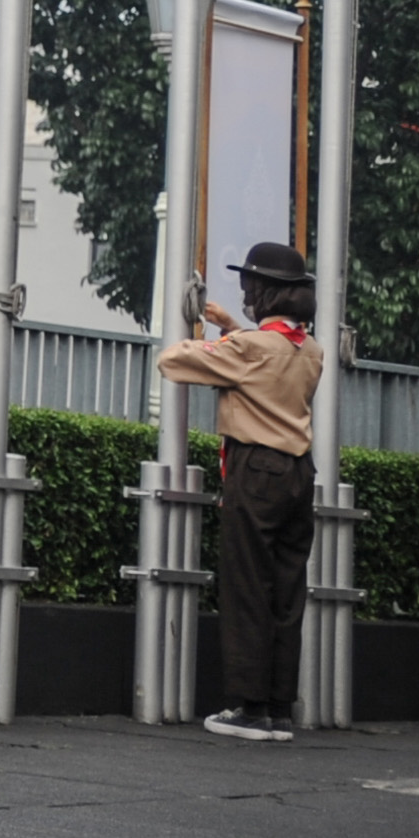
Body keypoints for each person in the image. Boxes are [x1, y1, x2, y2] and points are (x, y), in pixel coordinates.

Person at [160, 240, 327, 741]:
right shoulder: (309, 348)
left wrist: (211, 334)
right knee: (285, 591)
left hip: (256, 470)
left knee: (247, 585)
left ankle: (248, 708)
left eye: (252, 285)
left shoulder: (251, 347)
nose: (248, 292)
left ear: (267, 292)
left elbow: (174, 362)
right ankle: (277, 707)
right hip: (299, 472)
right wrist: (234, 330)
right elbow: (265, 363)